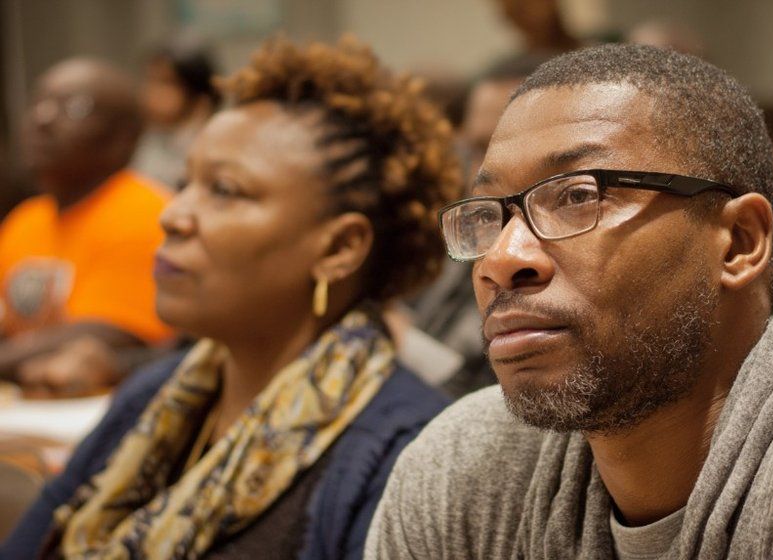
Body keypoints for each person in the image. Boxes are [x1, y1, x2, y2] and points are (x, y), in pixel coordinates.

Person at [365, 44, 773, 559]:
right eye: (490, 214)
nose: (502, 259)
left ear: (739, 242)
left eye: (579, 196)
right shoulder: (460, 470)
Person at [1, 36, 460, 559]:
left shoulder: (402, 453)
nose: (173, 215)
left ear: (339, 248)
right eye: (185, 183)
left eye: (224, 190)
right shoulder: (152, 395)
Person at [0, 58, 172, 394]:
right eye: (39, 103)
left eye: (75, 107)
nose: (42, 119)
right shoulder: (26, 220)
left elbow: (109, 334)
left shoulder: (146, 212)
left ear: (124, 138)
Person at [407, 53, 549, 397]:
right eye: (477, 148)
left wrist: (396, 337)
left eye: (503, 145)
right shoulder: (462, 233)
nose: (483, 171)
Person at [132, 36, 221, 188]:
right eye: (150, 80)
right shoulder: (143, 140)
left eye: (166, 83)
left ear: (200, 95)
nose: (151, 92)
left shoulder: (215, 153)